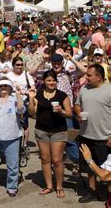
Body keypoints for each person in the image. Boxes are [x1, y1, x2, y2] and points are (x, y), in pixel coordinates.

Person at [28, 70, 72, 198]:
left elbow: (69, 114)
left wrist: (61, 111)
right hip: (42, 130)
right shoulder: (39, 94)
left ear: (56, 81)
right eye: (48, 80)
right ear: (44, 81)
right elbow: (31, 112)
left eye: (53, 80)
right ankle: (49, 186)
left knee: (57, 160)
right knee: (45, 159)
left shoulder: (62, 95)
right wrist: (31, 99)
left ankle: (59, 186)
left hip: (59, 130)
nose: (51, 83)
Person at [74, 64, 111, 203]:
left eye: (89, 75)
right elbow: (77, 105)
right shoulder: (84, 89)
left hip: (104, 137)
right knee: (88, 166)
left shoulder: (109, 90)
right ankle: (92, 191)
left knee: (106, 168)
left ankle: (107, 195)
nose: (86, 77)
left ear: (99, 77)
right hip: (85, 134)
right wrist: (78, 113)